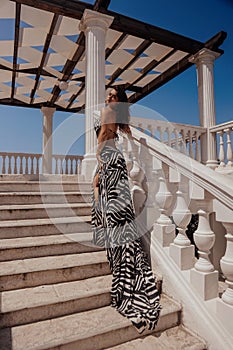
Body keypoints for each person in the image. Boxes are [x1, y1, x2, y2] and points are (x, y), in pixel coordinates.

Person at [91, 86, 161, 333]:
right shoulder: (115, 116)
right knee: (119, 216)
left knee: (115, 215)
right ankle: (125, 259)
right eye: (108, 95)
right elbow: (115, 140)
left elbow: (101, 145)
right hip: (116, 167)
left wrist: (100, 169)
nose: (108, 98)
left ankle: (120, 261)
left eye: (113, 95)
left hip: (113, 167)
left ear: (119, 100)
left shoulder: (110, 115)